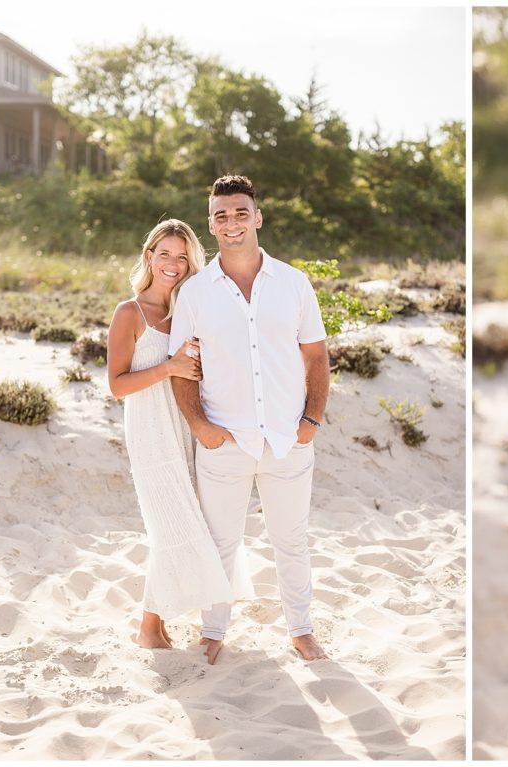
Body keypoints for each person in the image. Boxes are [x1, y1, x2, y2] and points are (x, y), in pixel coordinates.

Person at [169, 175, 331, 664]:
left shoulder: (294, 283)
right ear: (211, 224)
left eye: (241, 212)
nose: (232, 222)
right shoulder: (195, 293)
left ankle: (301, 630)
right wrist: (201, 428)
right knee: (221, 542)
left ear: (257, 217)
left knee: (292, 541)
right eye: (221, 215)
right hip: (225, 441)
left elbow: (317, 357)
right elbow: (182, 367)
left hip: (289, 438)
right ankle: (213, 631)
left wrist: (311, 420)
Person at [107, 219, 234, 651]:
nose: (173, 264)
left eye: (182, 257)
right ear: (149, 256)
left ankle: (155, 626)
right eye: (165, 254)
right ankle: (148, 628)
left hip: (185, 429)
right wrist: (168, 368)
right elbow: (117, 385)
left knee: (184, 522)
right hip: (149, 434)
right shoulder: (130, 313)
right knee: (169, 526)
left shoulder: (186, 311)